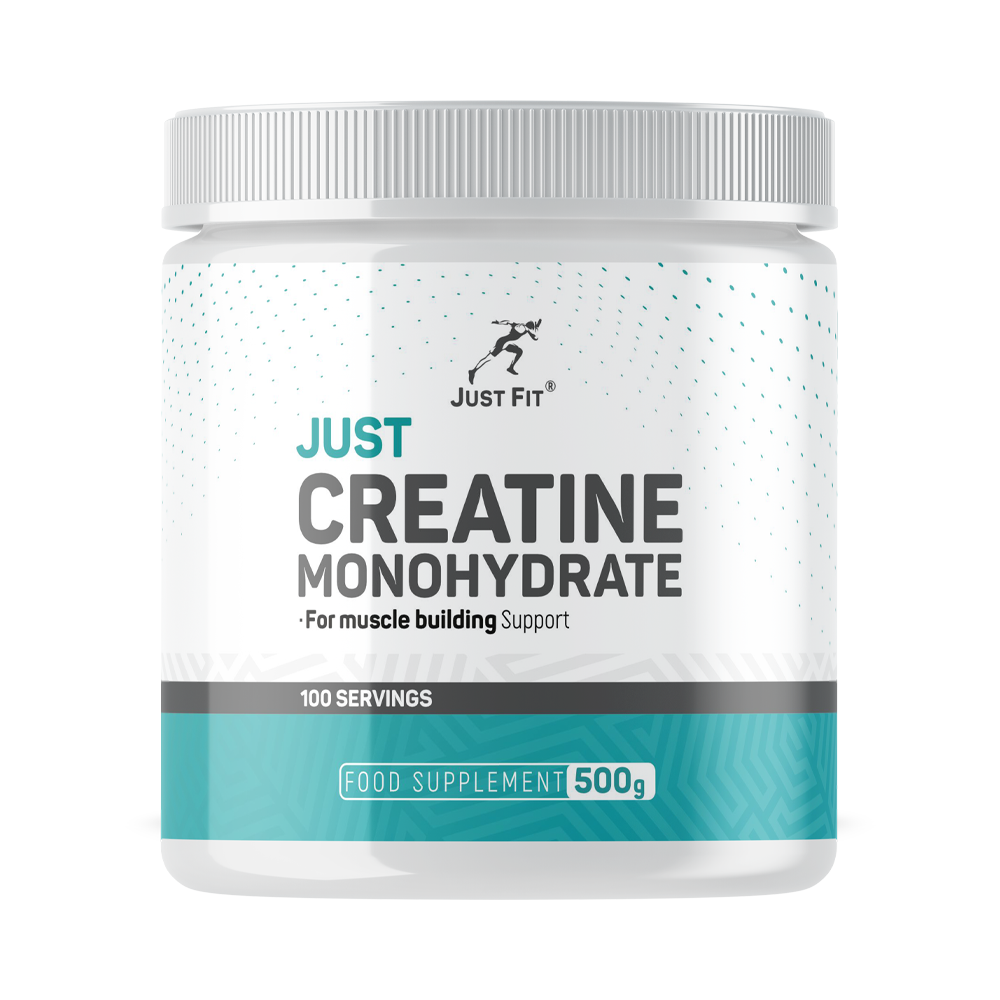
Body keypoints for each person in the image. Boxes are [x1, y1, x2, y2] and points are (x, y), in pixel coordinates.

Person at [468, 319, 542, 384]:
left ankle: (510, 368)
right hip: (503, 343)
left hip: (506, 343)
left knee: (519, 351)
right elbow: (535, 338)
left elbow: (508, 322)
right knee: (489, 358)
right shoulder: (524, 328)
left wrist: (498, 322)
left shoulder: (520, 325)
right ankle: (473, 371)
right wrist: (536, 330)